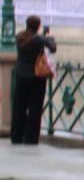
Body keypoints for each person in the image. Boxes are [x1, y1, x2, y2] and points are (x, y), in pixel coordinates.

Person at [10, 16, 56, 146]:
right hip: (36, 77)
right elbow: (53, 48)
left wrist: (42, 37)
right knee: (34, 109)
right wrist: (49, 37)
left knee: (19, 107)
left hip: (20, 75)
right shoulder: (38, 40)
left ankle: (16, 136)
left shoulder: (19, 37)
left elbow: (32, 39)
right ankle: (31, 138)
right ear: (38, 25)